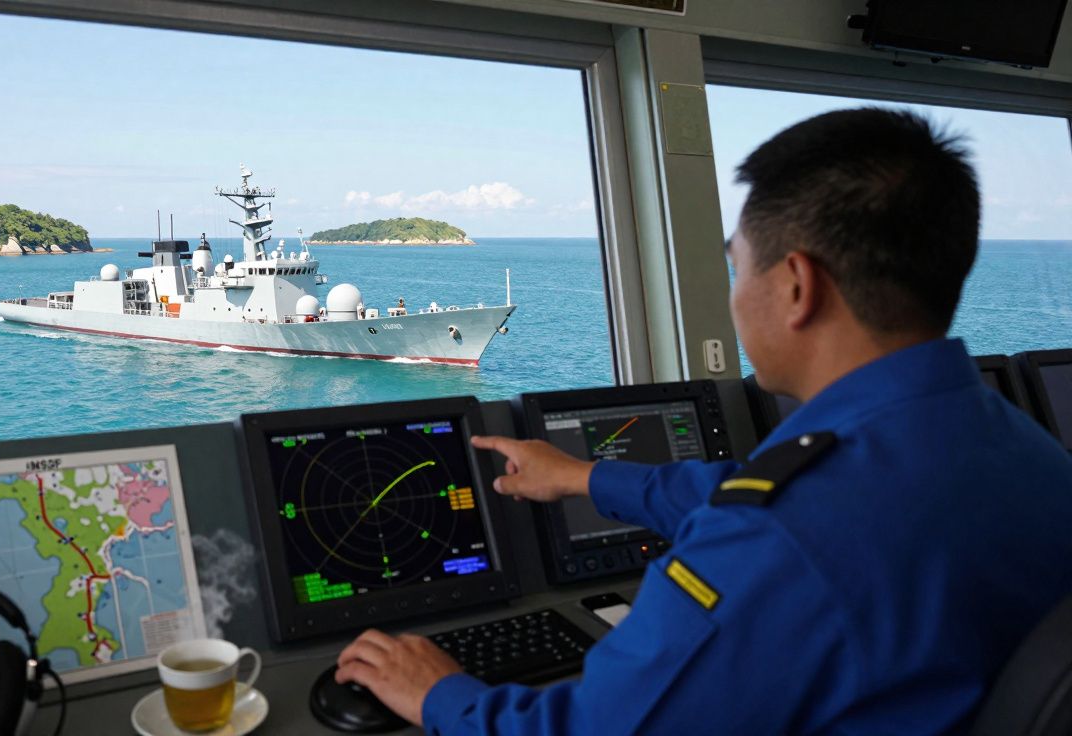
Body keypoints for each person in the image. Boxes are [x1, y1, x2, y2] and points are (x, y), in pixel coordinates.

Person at [332, 108, 1072, 734]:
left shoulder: (771, 544)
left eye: (737, 268)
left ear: (794, 286)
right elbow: (767, 492)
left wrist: (442, 696)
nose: (734, 294)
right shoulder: (1023, 450)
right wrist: (589, 478)